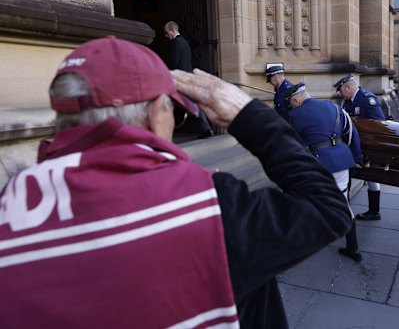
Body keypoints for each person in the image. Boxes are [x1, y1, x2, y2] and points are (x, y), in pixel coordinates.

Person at [0, 36, 352, 328]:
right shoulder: (207, 206)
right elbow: (327, 207)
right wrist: (247, 115)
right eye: (175, 111)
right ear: (156, 115)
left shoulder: (10, 203)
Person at [284, 82, 364, 262]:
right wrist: (357, 157)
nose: (291, 106)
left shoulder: (295, 115)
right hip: (342, 160)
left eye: (291, 103)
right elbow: (351, 132)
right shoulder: (334, 107)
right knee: (342, 201)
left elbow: (289, 145)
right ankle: (353, 247)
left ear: (296, 100)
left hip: (317, 163)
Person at [334, 74, 384, 221]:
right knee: (348, 176)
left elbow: (379, 124)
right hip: (352, 146)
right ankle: (345, 208)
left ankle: (374, 211)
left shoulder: (367, 99)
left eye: (341, 90)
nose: (340, 94)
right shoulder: (348, 101)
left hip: (367, 146)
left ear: (348, 87)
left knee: (371, 178)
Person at [164, 21, 213, 138]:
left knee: (169, 102)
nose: (166, 36)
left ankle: (167, 130)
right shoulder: (185, 42)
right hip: (188, 77)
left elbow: (174, 63)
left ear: (172, 30)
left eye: (167, 33)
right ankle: (207, 128)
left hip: (179, 80)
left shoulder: (175, 43)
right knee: (192, 104)